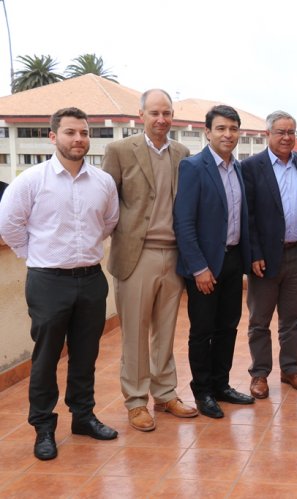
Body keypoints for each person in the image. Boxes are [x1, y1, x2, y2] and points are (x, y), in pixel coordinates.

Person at [0, 107, 120, 461]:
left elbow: (109, 222)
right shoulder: (31, 181)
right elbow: (9, 225)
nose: (79, 139)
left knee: (86, 355)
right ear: (53, 137)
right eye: (70, 133)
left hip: (91, 279)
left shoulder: (103, 182)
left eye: (84, 133)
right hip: (47, 280)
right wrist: (37, 257)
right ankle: (43, 428)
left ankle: (83, 417)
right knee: (46, 356)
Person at [103, 89, 197, 432]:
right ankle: (136, 402)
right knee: (134, 334)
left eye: (167, 113)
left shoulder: (183, 153)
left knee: (166, 330)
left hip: (173, 255)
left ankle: (166, 393)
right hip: (135, 255)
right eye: (155, 113)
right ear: (140, 114)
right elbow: (106, 203)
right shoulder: (118, 151)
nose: (161, 119)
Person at [241, 110, 297, 399]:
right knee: (260, 320)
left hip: (296, 253)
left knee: (293, 317)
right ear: (268, 134)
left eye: (291, 132)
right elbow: (249, 215)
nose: (286, 137)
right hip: (265, 257)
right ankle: (259, 374)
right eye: (280, 132)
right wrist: (254, 253)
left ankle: (290, 369)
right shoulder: (252, 166)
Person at [173, 105, 255, 419]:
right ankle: (203, 391)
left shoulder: (239, 168)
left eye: (233, 129)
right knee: (202, 331)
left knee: (228, 327)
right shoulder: (193, 167)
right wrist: (199, 268)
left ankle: (221, 385)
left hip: (233, 260)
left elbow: (240, 218)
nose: (228, 134)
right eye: (221, 128)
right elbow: (184, 222)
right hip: (205, 266)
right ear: (207, 132)